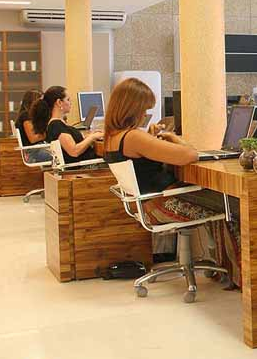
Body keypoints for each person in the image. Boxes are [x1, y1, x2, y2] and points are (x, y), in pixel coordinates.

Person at [102, 78, 242, 286]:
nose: (145, 115)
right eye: (144, 110)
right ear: (132, 109)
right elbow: (190, 155)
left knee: (223, 201)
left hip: (148, 205)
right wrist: (174, 138)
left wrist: (151, 139)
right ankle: (242, 274)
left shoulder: (112, 137)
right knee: (236, 203)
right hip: (164, 203)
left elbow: (143, 159)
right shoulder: (133, 137)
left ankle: (227, 268)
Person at [31, 85, 102, 163]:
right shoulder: (56, 125)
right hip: (86, 166)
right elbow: (74, 151)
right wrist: (92, 137)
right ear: (59, 102)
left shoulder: (58, 123)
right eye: (68, 100)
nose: (70, 103)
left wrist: (88, 137)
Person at [14, 90, 51, 163]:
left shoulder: (28, 115)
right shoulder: (26, 116)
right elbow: (33, 139)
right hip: (33, 152)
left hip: (37, 149)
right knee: (62, 155)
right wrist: (50, 133)